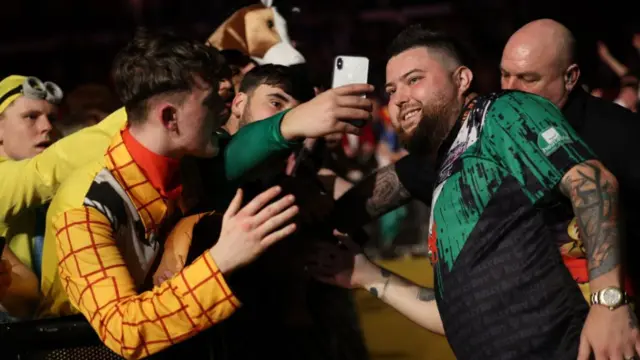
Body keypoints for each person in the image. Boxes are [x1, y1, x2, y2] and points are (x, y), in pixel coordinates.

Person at [38, 29, 372, 359]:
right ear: (169, 117)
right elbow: (126, 330)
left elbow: (239, 153)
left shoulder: (185, 167)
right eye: (210, 102)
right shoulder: (85, 207)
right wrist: (222, 259)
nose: (223, 112)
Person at [317, 24, 640, 360]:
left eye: (414, 79)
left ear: (462, 80)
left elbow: (594, 184)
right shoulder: (446, 170)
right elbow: (454, 317)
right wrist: (369, 276)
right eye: (391, 89)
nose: (399, 99)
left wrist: (609, 304)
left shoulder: (500, 112)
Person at [500, 18, 640, 302]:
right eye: (504, 75)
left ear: (570, 77)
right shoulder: (492, 133)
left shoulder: (624, 135)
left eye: (527, 78)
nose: (509, 91)